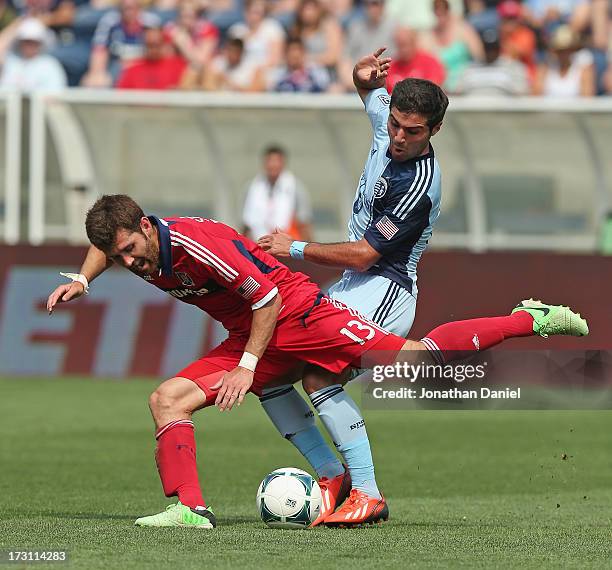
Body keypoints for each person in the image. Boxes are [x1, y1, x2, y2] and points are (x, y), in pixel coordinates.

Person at [46, 194, 588, 528]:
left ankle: (528, 319)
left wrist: (248, 365)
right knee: (167, 399)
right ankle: (193, 510)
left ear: (146, 227)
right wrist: (84, 277)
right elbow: (106, 239)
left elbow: (266, 299)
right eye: (116, 257)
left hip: (300, 315)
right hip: (249, 329)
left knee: (421, 361)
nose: (128, 263)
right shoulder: (127, 241)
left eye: (128, 251)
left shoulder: (196, 245)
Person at [258, 47, 449, 524]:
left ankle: (368, 492)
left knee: (318, 377)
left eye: (413, 131)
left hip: (385, 288)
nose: (399, 136)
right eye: (397, 125)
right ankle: (331, 474)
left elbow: (367, 253)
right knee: (268, 372)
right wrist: (362, 79)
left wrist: (295, 248)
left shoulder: (418, 186)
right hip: (351, 284)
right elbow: (373, 98)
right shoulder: (391, 120)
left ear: (434, 130)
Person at [81, 0, 160, 87]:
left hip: (144, 65)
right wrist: (97, 73)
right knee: (95, 81)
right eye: (125, 8)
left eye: (132, 8)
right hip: (117, 66)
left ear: (139, 8)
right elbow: (99, 49)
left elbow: (157, 49)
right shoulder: (110, 21)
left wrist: (131, 63)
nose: (129, 12)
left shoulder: (151, 22)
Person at [242, 145, 313, 241]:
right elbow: (246, 223)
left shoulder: (295, 187)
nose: (273, 165)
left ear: (283, 163)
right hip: (258, 243)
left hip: (288, 245)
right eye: (270, 161)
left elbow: (304, 222)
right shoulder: (252, 187)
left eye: (277, 161)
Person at [420, 0, 484, 92]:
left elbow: (479, 56)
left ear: (448, 10)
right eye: (436, 9)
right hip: (439, 89)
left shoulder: (464, 30)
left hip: (465, 86)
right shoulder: (427, 36)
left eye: (443, 9)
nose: (439, 13)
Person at [337, 0, 394, 91]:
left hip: (385, 79)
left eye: (375, 4)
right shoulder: (355, 27)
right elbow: (345, 58)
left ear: (383, 6)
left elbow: (398, 61)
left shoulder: (393, 28)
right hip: (358, 79)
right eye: (368, 5)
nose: (372, 8)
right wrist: (351, 80)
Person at [0, 17, 67, 91]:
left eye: (33, 42)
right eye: (26, 41)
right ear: (20, 42)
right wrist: (17, 24)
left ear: (40, 43)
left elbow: (56, 95)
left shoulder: (50, 64)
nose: (29, 45)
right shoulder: (10, 61)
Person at [454, 30, 529, 95]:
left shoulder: (513, 67)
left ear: (499, 49)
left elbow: (522, 93)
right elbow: (458, 92)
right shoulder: (468, 68)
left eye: (493, 49)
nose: (491, 53)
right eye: (488, 49)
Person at [532, 24, 595, 97]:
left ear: (572, 49)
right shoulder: (545, 68)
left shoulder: (582, 67)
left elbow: (587, 97)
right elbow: (536, 96)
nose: (563, 54)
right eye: (560, 50)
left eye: (567, 49)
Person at [115, 26, 187, 90]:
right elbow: (121, 97)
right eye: (149, 45)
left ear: (163, 44)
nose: (153, 49)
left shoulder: (178, 66)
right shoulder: (132, 69)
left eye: (156, 45)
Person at [386, 27, 446, 91]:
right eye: (399, 45)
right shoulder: (391, 67)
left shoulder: (430, 62)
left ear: (414, 43)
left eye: (405, 45)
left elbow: (434, 87)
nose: (403, 50)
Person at [262, 36, 331, 93]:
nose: (295, 58)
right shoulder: (277, 76)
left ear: (303, 53)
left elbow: (325, 89)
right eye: (292, 56)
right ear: (285, 55)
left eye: (297, 57)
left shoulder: (317, 72)